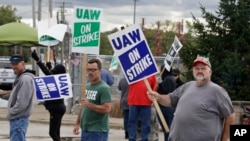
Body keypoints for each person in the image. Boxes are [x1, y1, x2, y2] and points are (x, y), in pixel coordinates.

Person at [147, 56, 235, 141]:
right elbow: (170, 99)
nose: (199, 71)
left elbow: (230, 116)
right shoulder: (187, 86)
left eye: (203, 68)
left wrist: (224, 139)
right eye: (196, 68)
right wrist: (158, 97)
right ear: (193, 71)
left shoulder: (217, 91)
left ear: (210, 72)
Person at [73, 58, 112, 141]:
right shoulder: (86, 86)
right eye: (88, 70)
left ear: (100, 71)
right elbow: (82, 107)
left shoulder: (104, 88)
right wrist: (77, 123)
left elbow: (107, 108)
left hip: (98, 131)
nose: (90, 72)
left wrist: (89, 105)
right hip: (85, 129)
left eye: (93, 70)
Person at [31, 50, 66, 141]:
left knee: (52, 133)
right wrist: (50, 67)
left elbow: (47, 72)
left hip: (56, 109)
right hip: (60, 108)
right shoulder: (61, 80)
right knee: (57, 132)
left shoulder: (55, 79)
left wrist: (38, 60)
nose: (52, 72)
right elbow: (51, 73)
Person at [7, 54, 36, 141]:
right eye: (12, 64)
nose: (14, 66)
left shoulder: (25, 79)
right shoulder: (20, 78)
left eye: (16, 64)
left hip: (18, 119)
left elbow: (22, 103)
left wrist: (11, 112)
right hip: (17, 120)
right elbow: (15, 96)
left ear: (23, 64)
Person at [127, 75, 158, 141]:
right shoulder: (132, 72)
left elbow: (154, 87)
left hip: (145, 102)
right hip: (133, 102)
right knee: (132, 123)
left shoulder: (151, 75)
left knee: (145, 124)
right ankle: (132, 139)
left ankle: (144, 139)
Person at [157, 65, 176, 141]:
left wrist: (159, 85)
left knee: (167, 128)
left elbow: (164, 91)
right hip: (170, 106)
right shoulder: (171, 78)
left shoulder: (167, 79)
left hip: (165, 106)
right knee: (168, 128)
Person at [117, 74, 129, 139]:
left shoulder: (122, 80)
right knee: (132, 118)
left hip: (124, 101)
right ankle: (131, 132)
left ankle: (126, 132)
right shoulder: (132, 81)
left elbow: (119, 88)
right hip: (131, 101)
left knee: (126, 118)